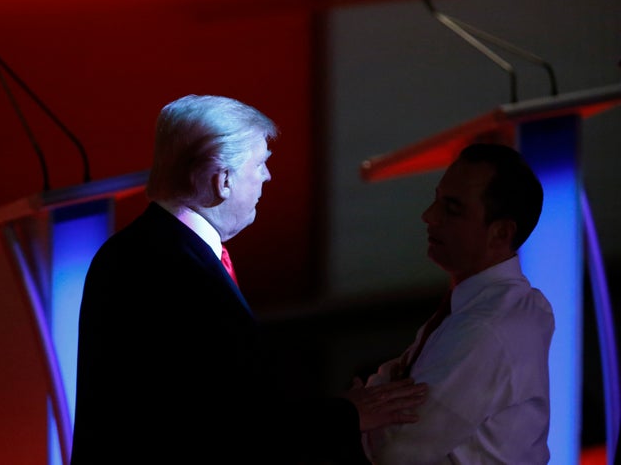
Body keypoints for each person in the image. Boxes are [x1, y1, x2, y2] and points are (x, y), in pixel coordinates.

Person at [70, 94, 427, 465]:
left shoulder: (141, 248)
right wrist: (347, 414)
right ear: (223, 179)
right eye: (261, 164)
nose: (267, 176)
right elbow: (225, 424)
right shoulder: (174, 269)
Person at [362, 142, 555, 464]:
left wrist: (358, 414)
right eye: (436, 200)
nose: (428, 216)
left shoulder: (485, 327)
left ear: (500, 233)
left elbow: (396, 451)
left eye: (451, 209)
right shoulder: (503, 305)